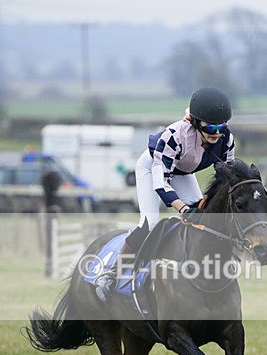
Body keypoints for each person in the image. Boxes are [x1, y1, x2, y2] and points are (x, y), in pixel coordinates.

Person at [95, 86, 236, 301]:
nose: (217, 131)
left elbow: (227, 177)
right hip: (153, 169)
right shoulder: (174, 136)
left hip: (183, 171)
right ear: (196, 122)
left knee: (203, 221)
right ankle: (111, 273)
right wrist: (183, 208)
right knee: (150, 223)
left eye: (222, 125)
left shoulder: (226, 139)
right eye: (211, 126)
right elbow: (162, 185)